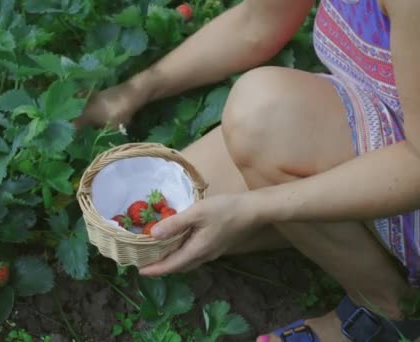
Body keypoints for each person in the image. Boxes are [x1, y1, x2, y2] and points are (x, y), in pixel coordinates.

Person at [76, 0, 420, 341]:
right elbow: (256, 24)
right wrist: (130, 93)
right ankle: (345, 235)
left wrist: (257, 207)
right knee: (172, 226)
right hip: (375, 124)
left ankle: (387, 311)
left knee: (262, 116)